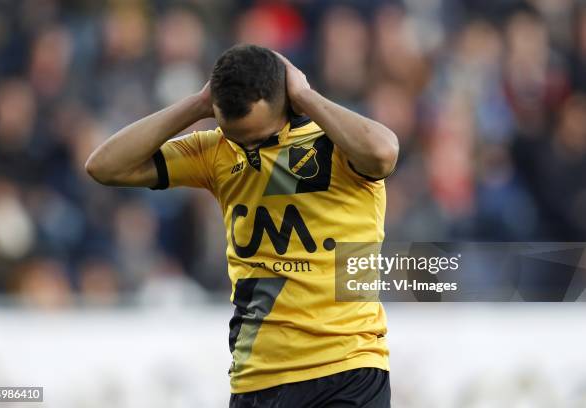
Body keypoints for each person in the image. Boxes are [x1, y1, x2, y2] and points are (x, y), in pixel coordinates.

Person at [86, 44, 398, 407]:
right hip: (256, 376)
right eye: (238, 138)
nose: (251, 150)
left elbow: (384, 152)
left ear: (287, 102)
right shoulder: (216, 152)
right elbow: (104, 166)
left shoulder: (338, 145)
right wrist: (198, 104)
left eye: (261, 138)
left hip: (347, 368)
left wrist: (306, 95)